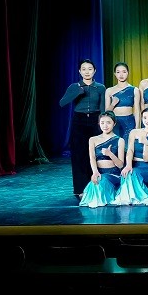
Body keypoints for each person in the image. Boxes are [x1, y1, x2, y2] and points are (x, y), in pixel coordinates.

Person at [59, 58, 106, 199]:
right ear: (79, 71)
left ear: (95, 71)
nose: (87, 72)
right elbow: (62, 103)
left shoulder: (101, 87)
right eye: (84, 69)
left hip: (95, 120)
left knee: (96, 154)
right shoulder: (74, 86)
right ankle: (80, 189)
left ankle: (97, 186)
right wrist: (77, 92)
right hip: (79, 121)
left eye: (90, 69)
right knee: (79, 155)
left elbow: (103, 108)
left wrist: (102, 124)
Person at [112, 107, 148, 205]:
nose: (147, 120)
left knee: (133, 173)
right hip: (135, 165)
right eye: (144, 118)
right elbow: (130, 150)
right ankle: (128, 198)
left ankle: (135, 198)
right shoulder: (134, 132)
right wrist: (128, 165)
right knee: (128, 172)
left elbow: (147, 158)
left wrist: (146, 144)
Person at [79, 112, 125, 208]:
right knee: (97, 181)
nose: (105, 125)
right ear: (99, 123)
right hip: (99, 173)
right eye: (102, 123)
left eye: (108, 122)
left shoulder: (120, 140)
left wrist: (110, 154)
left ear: (114, 123)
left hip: (114, 174)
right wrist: (95, 172)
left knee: (100, 183)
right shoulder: (93, 139)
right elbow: (92, 158)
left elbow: (121, 165)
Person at [104, 61, 140, 143]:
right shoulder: (109, 90)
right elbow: (106, 113)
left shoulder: (134, 90)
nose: (121, 75)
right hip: (114, 123)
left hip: (129, 122)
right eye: (118, 72)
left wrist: (137, 128)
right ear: (115, 74)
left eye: (124, 72)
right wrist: (113, 104)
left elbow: (137, 110)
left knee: (129, 147)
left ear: (128, 73)